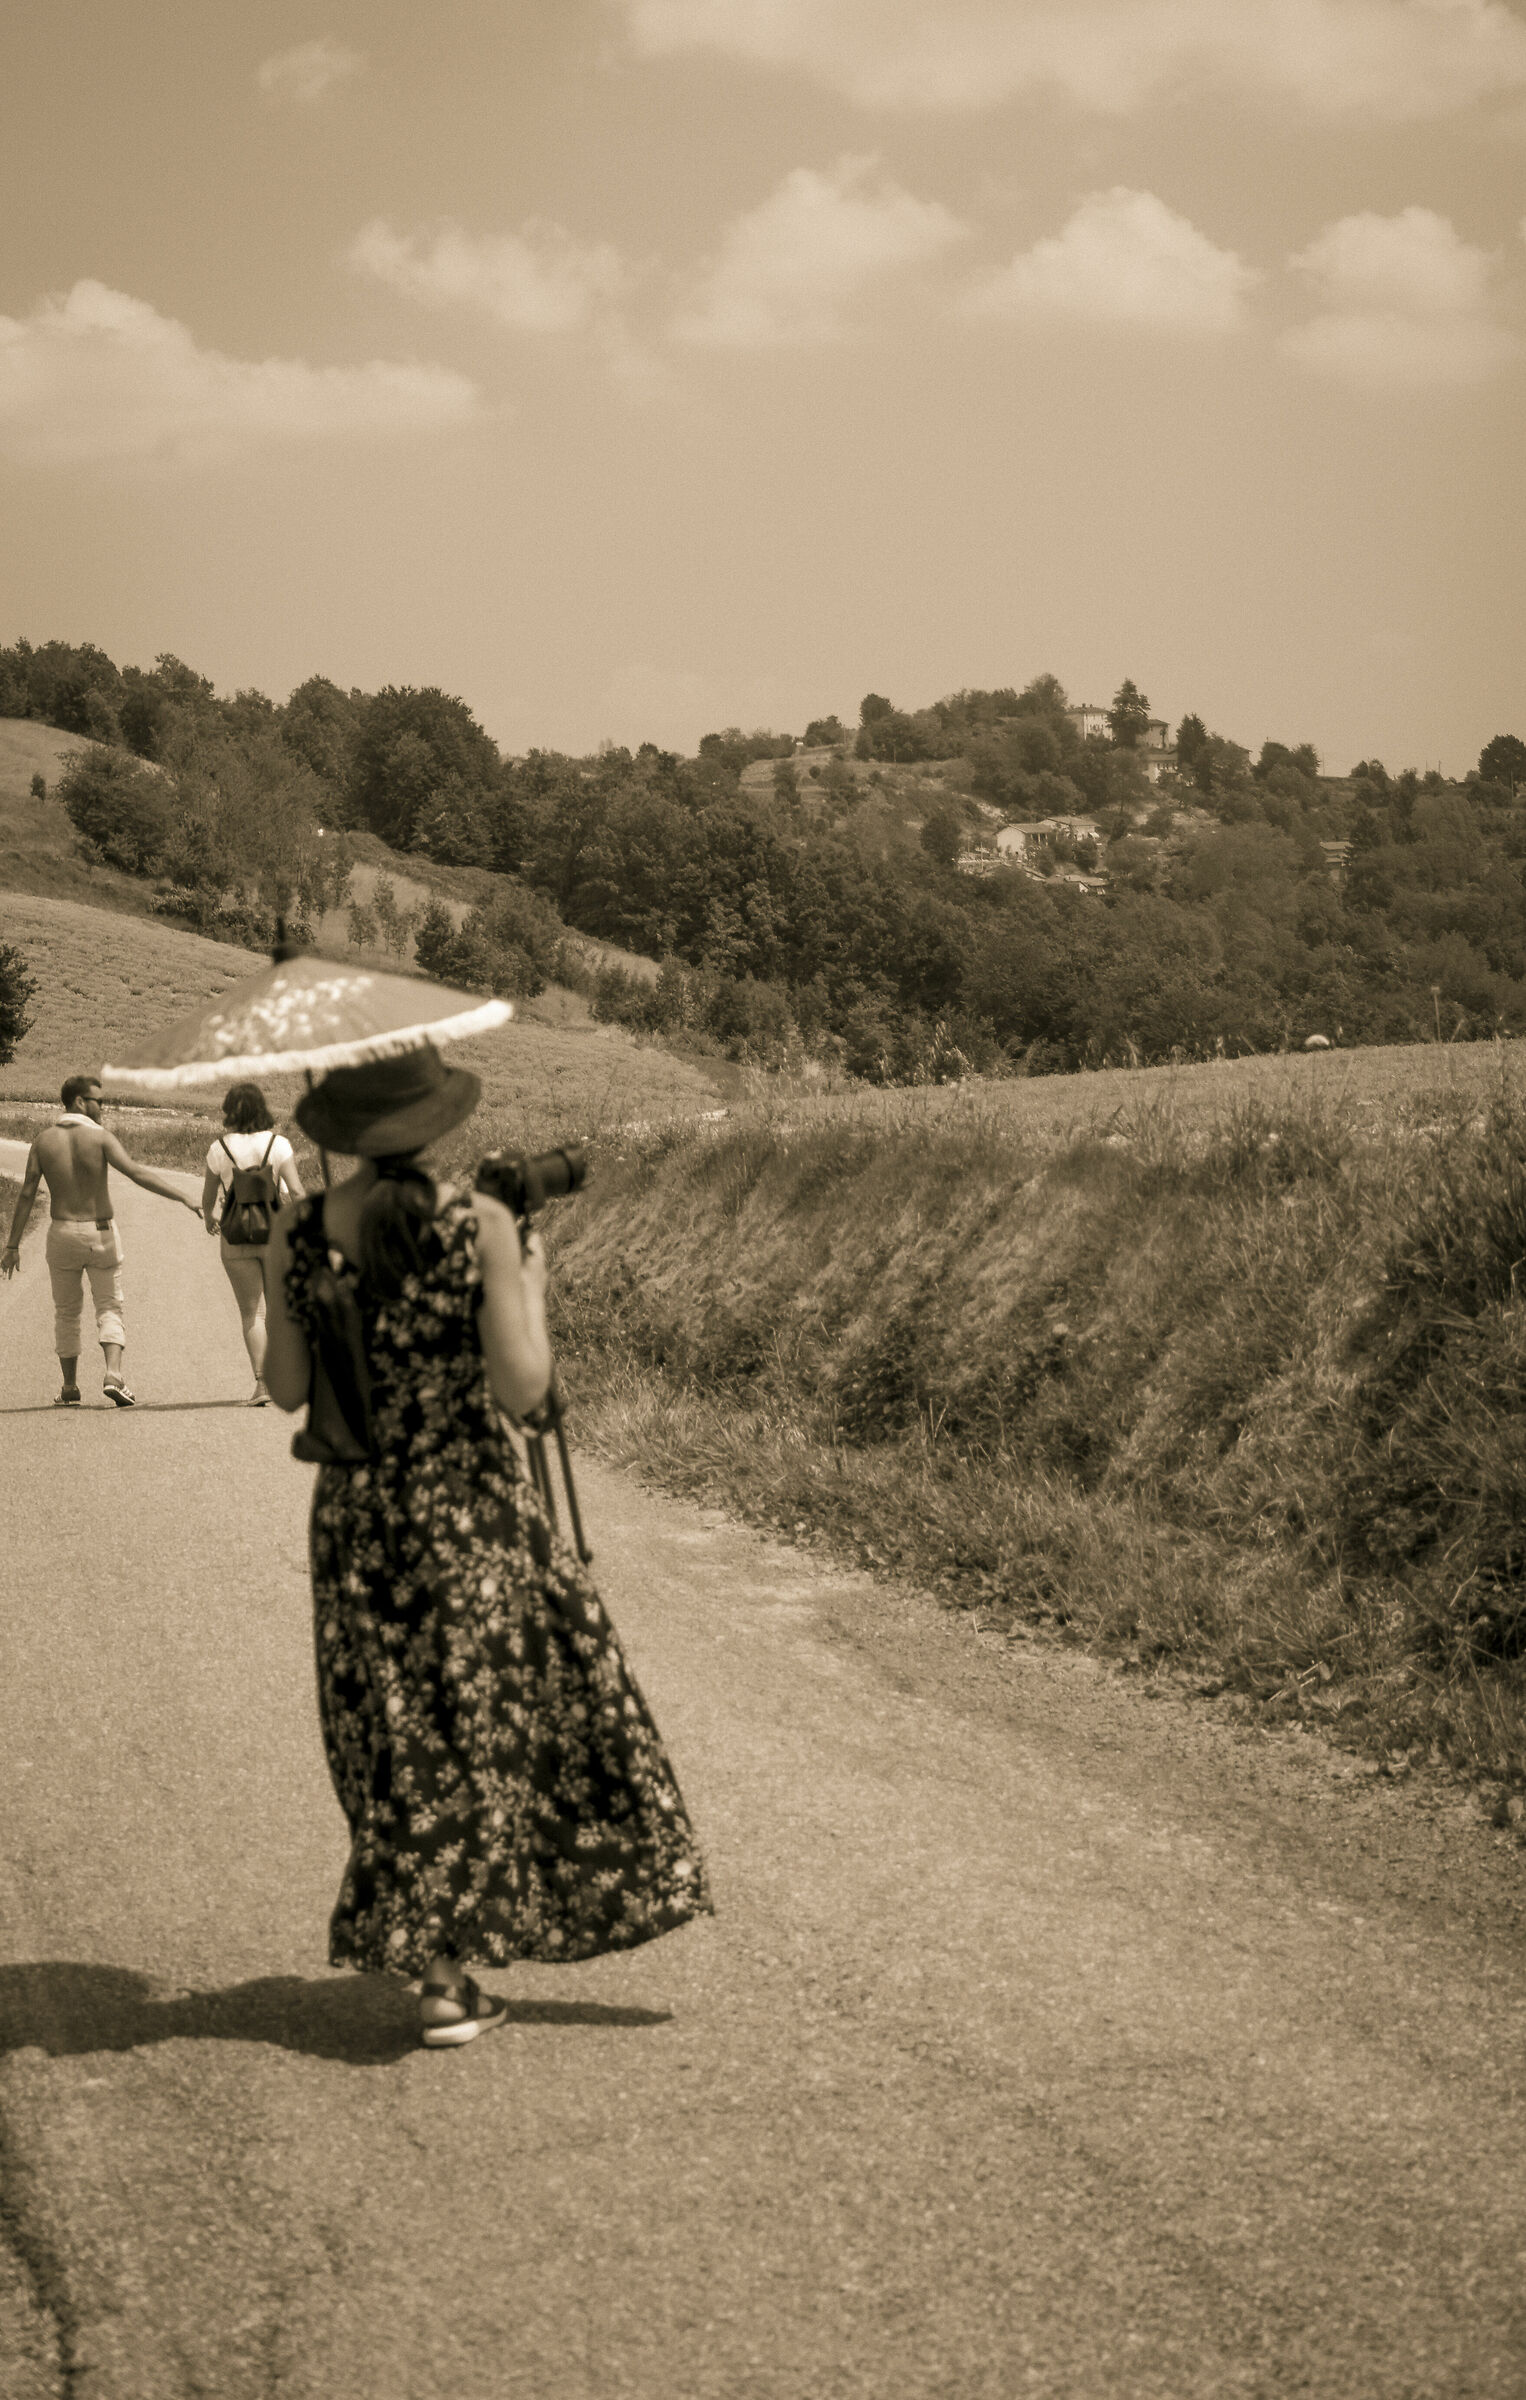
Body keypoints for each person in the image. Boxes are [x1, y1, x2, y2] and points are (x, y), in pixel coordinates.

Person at [260, 1044, 712, 2050]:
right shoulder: (481, 1225)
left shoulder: (298, 1228)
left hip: (359, 1519)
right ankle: (465, 1957)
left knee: (396, 1729)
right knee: (503, 1713)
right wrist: (532, 1282)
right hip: (467, 1506)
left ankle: (440, 1967)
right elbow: (521, 1390)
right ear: (431, 1121)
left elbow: (286, 1388)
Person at [1, 1073, 202, 1408]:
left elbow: (26, 1192)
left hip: (62, 1231)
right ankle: (113, 1375)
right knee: (109, 1304)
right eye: (99, 1101)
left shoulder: (43, 1140)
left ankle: (69, 1387)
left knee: (66, 1311)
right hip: (101, 1231)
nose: (103, 1107)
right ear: (80, 1101)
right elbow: (137, 1173)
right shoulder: (102, 1138)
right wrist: (184, 1197)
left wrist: (12, 1245)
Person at [201, 1081, 305, 1406]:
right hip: (276, 1236)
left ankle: (262, 1385)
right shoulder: (279, 1144)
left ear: (229, 1111)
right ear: (263, 1108)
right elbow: (297, 1193)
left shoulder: (219, 1148)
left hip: (236, 1239)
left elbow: (207, 1201)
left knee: (251, 1313)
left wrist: (209, 1218)